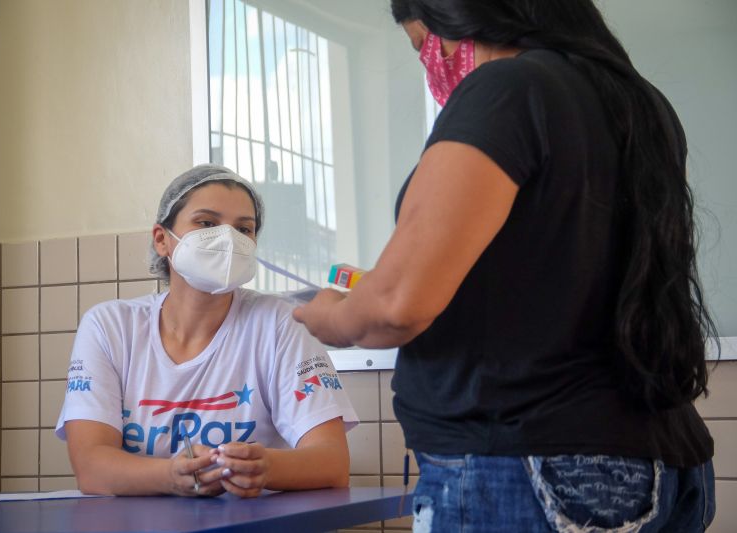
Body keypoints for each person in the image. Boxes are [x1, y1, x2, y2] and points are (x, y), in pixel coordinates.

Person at [293, 0, 718, 530]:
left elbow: (394, 309)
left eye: (425, 45)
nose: (432, 64)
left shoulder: (508, 88)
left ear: (462, 16)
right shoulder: (639, 105)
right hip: (665, 460)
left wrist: (330, 315)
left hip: (528, 464)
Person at [56, 164, 357, 498]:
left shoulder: (280, 324)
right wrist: (170, 475)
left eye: (245, 229)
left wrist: (267, 467)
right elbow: (91, 468)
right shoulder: (110, 327)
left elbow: (333, 464)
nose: (229, 239)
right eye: (206, 223)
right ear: (162, 240)